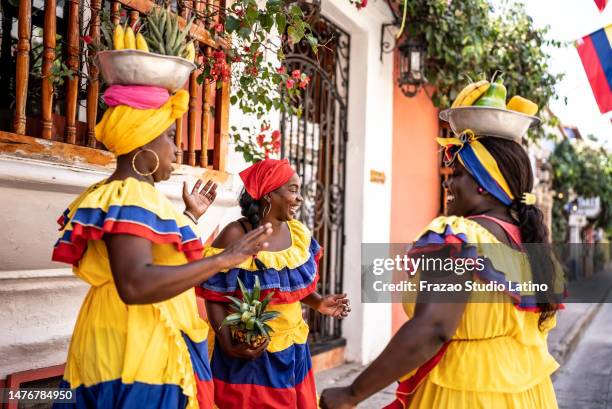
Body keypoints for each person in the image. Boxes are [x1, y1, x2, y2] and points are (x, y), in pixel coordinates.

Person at [52, 85, 272, 409]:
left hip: (130, 333)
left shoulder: (121, 192)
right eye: (169, 136)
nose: (177, 149)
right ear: (143, 142)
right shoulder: (132, 194)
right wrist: (225, 259)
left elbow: (152, 254)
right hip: (136, 343)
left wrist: (188, 216)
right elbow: (135, 283)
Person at [320, 126, 564, 408]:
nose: (448, 184)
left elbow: (433, 327)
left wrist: (352, 394)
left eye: (457, 174)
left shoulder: (458, 237)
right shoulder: (534, 248)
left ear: (484, 183)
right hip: (527, 393)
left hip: (467, 391)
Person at [199, 158, 351, 408]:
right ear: (269, 194)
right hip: (249, 351)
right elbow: (214, 293)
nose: (300, 198)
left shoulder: (298, 234)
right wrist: (227, 343)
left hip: (293, 350)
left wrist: (318, 302)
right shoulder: (236, 235)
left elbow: (289, 288)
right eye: (293, 190)